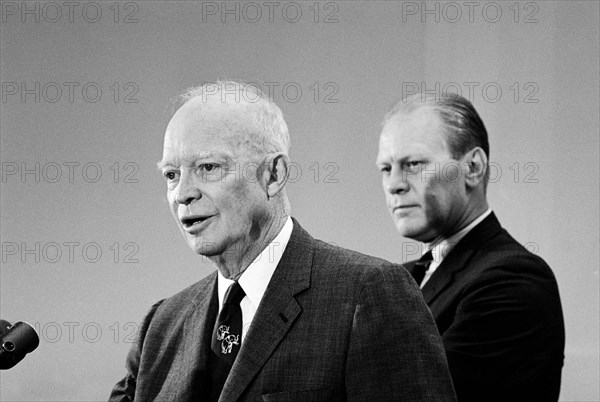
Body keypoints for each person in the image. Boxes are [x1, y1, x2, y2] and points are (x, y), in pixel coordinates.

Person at [109, 81, 457, 401]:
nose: (182, 194)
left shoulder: (368, 294)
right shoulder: (161, 324)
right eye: (171, 175)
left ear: (273, 175)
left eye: (209, 168)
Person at [376, 92, 565, 401]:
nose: (394, 184)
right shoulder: (399, 280)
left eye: (413, 164)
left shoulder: (513, 280)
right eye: (386, 168)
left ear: (473, 167)